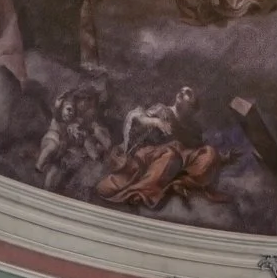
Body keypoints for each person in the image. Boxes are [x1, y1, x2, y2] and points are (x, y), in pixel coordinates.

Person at [97, 87, 227, 210]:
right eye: (182, 90)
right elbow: (139, 118)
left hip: (180, 164)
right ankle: (142, 191)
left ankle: (180, 183)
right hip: (153, 157)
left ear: (193, 108)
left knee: (209, 153)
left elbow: (196, 149)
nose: (183, 92)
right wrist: (156, 122)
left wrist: (220, 157)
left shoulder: (194, 129)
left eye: (188, 93)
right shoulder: (162, 110)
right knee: (171, 155)